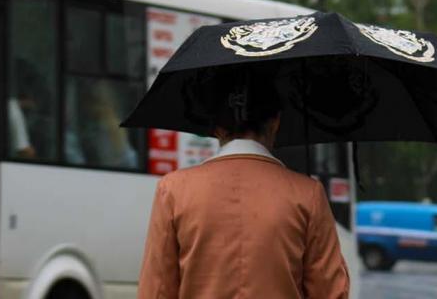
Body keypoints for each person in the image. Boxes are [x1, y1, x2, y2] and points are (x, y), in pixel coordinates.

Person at [137, 66, 350, 298]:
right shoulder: (308, 194)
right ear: (275, 122)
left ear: (217, 128)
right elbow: (331, 292)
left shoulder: (173, 190)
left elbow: (156, 290)